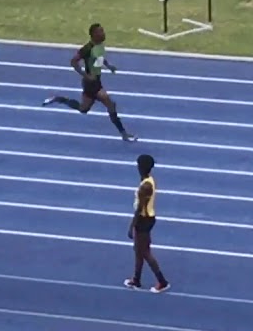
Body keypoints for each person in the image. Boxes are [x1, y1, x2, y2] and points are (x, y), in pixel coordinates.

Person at [42, 23, 136, 141]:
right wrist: (85, 75)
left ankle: (60, 99)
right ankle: (124, 134)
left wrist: (108, 65)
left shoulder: (100, 45)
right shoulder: (87, 48)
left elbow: (99, 57)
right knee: (110, 104)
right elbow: (73, 62)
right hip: (91, 84)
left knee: (83, 109)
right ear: (93, 35)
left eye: (103, 30)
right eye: (100, 31)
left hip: (97, 82)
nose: (103, 33)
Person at [125, 154, 170, 293]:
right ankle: (136, 280)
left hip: (144, 220)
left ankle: (162, 282)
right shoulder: (149, 180)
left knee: (144, 252)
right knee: (138, 251)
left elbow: (140, 209)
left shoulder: (145, 186)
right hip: (147, 218)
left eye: (139, 165)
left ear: (142, 167)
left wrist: (131, 226)